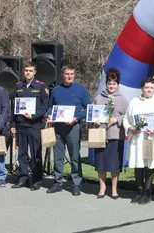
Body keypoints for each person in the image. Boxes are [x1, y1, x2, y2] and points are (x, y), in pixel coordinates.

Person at [47, 64, 91, 195]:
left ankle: (76, 183)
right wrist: (50, 115)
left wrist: (77, 118)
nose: (69, 76)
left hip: (73, 127)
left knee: (74, 156)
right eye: (67, 74)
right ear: (62, 75)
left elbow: (88, 108)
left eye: (72, 74)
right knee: (58, 156)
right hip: (58, 127)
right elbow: (50, 106)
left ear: (74, 75)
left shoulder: (81, 90)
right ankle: (58, 182)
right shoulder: (56, 90)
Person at [123, 77, 154, 205]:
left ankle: (147, 192)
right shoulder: (134, 102)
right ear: (142, 88)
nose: (149, 90)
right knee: (138, 165)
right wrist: (130, 128)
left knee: (149, 165)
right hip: (137, 138)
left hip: (151, 138)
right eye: (147, 87)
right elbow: (126, 118)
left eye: (151, 88)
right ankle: (139, 190)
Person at [11, 62, 48, 191]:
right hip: (21, 124)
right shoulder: (18, 86)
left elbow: (45, 105)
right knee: (22, 153)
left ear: (34, 72)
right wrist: (13, 123)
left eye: (30, 70)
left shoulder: (40, 86)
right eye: (26, 70)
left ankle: (37, 179)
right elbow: (14, 107)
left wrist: (34, 115)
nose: (28, 72)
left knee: (35, 153)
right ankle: (23, 177)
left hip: (34, 125)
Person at [92, 68, 128, 199]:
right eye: (109, 83)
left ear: (118, 84)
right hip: (100, 134)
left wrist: (116, 119)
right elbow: (92, 114)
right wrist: (94, 121)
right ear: (106, 84)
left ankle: (114, 189)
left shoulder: (123, 99)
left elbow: (126, 116)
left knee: (114, 164)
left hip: (115, 135)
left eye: (114, 83)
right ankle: (102, 188)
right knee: (101, 163)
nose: (111, 86)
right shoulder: (99, 97)